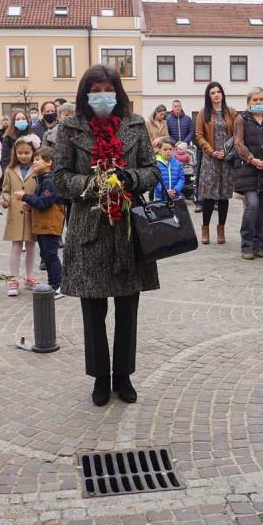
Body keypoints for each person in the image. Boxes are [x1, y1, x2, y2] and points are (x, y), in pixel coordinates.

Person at [53, 64, 161, 406]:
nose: (102, 96)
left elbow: (152, 169)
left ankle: (123, 375)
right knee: (93, 310)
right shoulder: (70, 127)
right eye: (95, 89)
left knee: (128, 308)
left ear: (118, 92)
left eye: (108, 89)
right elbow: (58, 177)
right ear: (86, 94)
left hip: (128, 230)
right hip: (89, 229)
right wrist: (90, 185)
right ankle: (100, 378)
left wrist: (130, 179)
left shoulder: (135, 124)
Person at [234, 87, 263, 260]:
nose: (258, 102)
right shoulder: (241, 119)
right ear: (249, 102)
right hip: (248, 169)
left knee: (261, 209)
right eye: (255, 100)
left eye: (261, 99)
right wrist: (252, 159)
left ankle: (258, 245)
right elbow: (239, 143)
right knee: (252, 204)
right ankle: (246, 245)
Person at [194, 82, 237, 245]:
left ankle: (221, 229)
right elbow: (198, 136)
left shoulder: (231, 112)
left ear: (222, 94)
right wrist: (211, 151)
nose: (216, 94)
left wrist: (227, 151)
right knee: (209, 196)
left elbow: (237, 133)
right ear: (208, 96)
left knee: (224, 195)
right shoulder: (203, 113)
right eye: (213, 92)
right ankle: (205, 228)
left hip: (226, 159)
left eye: (218, 91)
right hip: (210, 159)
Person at [1, 136, 41, 294]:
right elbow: (5, 190)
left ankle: (30, 276)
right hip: (15, 215)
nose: (23, 156)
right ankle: (13, 278)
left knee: (31, 246)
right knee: (16, 246)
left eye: (27, 152)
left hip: (31, 212)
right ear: (15, 153)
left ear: (33, 152)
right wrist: (4, 200)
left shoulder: (37, 170)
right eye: (20, 153)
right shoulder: (10, 171)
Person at [24, 146, 65, 297]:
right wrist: (30, 204)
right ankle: (52, 283)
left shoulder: (49, 181)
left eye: (37, 160)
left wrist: (25, 196)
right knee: (46, 255)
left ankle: (58, 286)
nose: (33, 163)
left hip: (50, 224)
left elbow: (44, 202)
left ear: (49, 163)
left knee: (51, 255)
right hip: (43, 225)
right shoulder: (41, 179)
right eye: (33, 160)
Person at [153, 136, 185, 200]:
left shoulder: (178, 164)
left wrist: (175, 190)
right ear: (159, 150)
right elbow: (154, 181)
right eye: (165, 149)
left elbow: (181, 179)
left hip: (175, 196)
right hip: (160, 197)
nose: (168, 151)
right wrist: (165, 191)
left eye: (170, 149)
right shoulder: (155, 164)